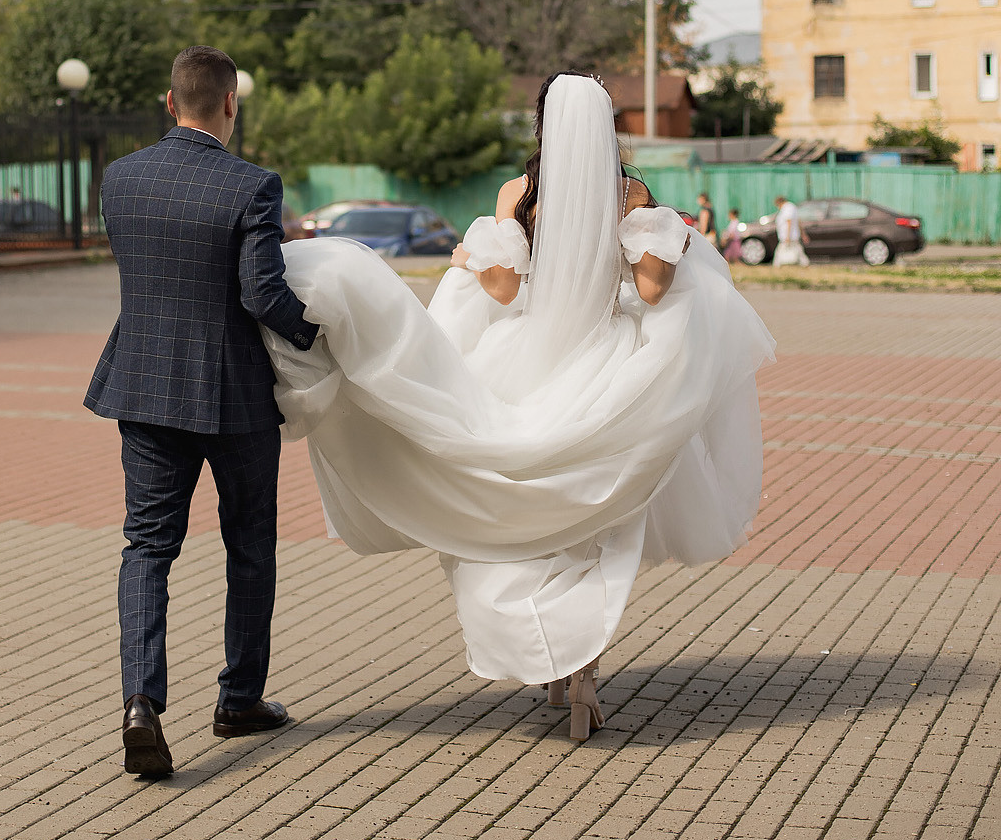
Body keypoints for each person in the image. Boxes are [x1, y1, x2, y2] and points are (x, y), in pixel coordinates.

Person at [261, 74, 774, 743]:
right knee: (593, 517)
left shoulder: (519, 194)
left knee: (522, 508)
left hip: (522, 360)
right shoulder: (634, 197)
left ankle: (552, 662)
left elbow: (504, 292)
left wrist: (473, 260)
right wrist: (663, 238)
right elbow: (651, 293)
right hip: (605, 362)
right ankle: (583, 672)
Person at [86, 45, 319, 779]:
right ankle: (238, 700)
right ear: (230, 103)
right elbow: (263, 297)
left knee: (146, 547)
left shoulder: (120, 178)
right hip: (234, 393)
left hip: (145, 386)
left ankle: (140, 704)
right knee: (249, 544)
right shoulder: (251, 185)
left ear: (168, 102)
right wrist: (320, 335)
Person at [772, 193, 809, 266]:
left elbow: (789, 222)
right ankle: (805, 263)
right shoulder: (790, 207)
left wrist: (787, 236)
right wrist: (803, 234)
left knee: (781, 250)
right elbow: (798, 221)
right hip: (790, 235)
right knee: (798, 249)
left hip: (789, 235)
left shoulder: (788, 208)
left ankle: (776, 265)